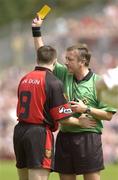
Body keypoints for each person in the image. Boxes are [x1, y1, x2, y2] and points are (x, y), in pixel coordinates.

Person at [32, 17, 116, 180]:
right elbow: (44, 56)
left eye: (70, 59)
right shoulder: (64, 74)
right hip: (65, 137)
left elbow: (108, 115)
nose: (66, 62)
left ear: (82, 61)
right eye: (66, 59)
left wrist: (86, 109)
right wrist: (36, 30)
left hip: (89, 138)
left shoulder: (100, 83)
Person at [13, 45, 96, 180]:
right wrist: (80, 122)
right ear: (54, 61)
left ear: (37, 59)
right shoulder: (53, 82)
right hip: (38, 134)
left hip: (19, 132)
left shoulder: (24, 78)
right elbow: (63, 118)